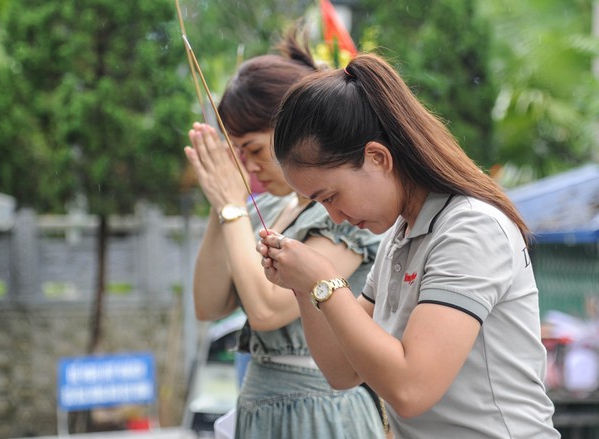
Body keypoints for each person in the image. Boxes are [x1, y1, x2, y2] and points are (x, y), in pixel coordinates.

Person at [258, 53, 560, 438]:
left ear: (377, 157)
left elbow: (411, 389)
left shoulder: (471, 228)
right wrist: (305, 287)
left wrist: (325, 280)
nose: (334, 217)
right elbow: (342, 371)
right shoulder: (401, 236)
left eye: (331, 195)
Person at [183, 32, 387, 439]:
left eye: (253, 150)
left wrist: (232, 208)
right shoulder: (271, 211)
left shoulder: (341, 214)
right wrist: (220, 201)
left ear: (291, 129)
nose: (248, 166)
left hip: (321, 413)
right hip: (259, 408)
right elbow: (208, 305)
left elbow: (267, 309)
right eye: (237, 155)